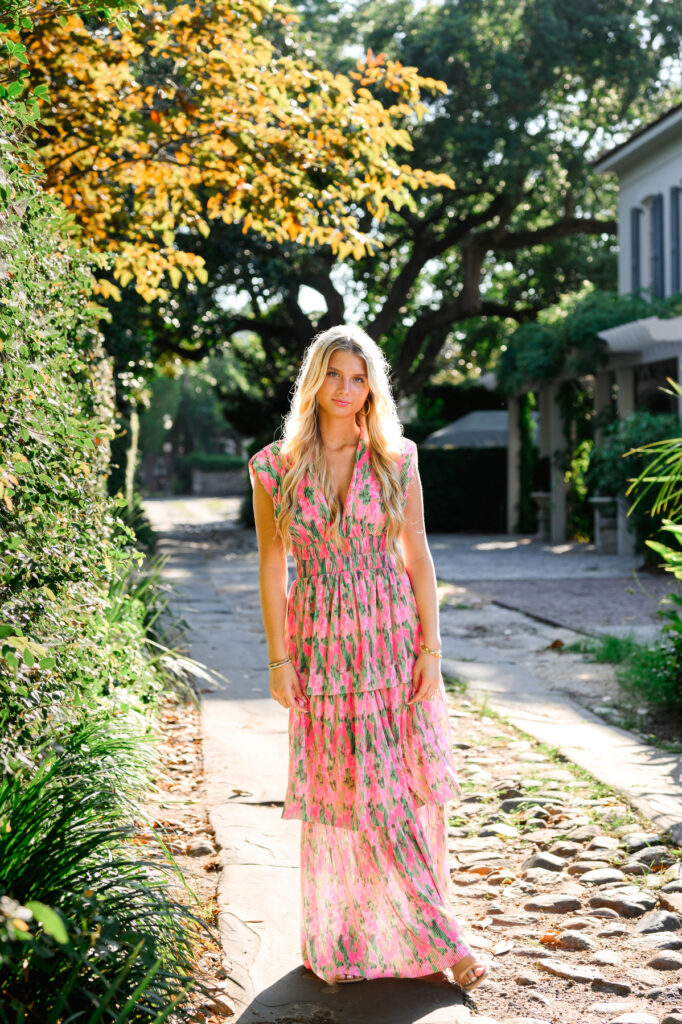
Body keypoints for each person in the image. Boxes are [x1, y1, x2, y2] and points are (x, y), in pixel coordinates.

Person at [248, 324, 489, 991]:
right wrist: (278, 661)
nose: (347, 391)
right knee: (342, 796)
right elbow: (272, 563)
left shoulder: (396, 458)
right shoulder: (273, 466)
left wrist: (431, 650)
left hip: (389, 639)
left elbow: (418, 555)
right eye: (334, 376)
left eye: (359, 379)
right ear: (314, 380)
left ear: (371, 387)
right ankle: (347, 933)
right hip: (319, 646)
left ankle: (445, 938)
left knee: (388, 795)